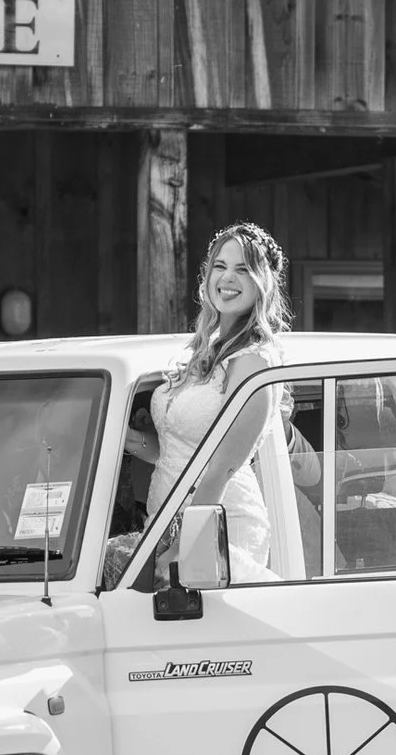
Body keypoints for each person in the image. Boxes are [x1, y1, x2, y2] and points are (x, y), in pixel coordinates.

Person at [124, 223, 291, 581]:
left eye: (243, 269)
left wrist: (185, 546)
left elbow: (221, 467)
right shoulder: (206, 348)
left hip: (219, 523)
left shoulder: (253, 359)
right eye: (221, 266)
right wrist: (123, 440)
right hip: (164, 520)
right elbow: (177, 450)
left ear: (263, 282)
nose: (228, 278)